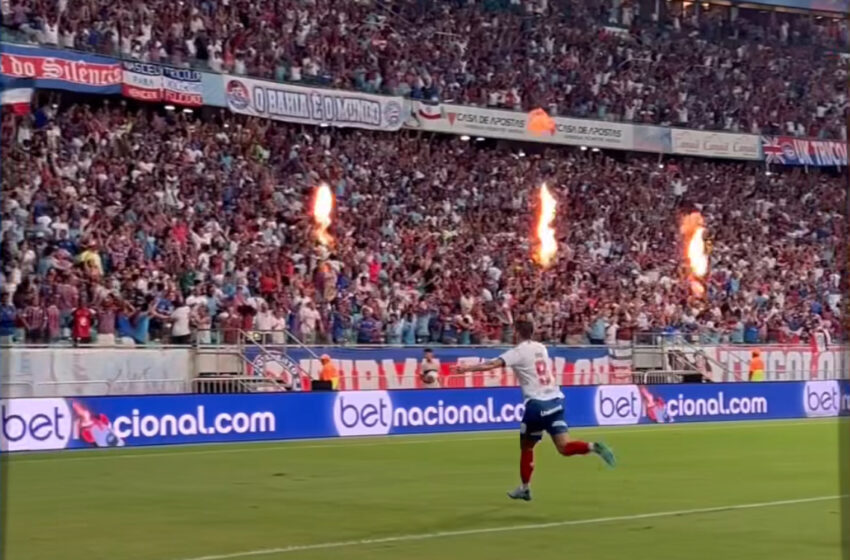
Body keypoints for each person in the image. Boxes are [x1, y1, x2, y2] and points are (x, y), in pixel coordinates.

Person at [452, 320, 616, 502]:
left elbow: (491, 365)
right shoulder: (541, 348)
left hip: (537, 405)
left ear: (516, 332)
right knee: (563, 446)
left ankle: (525, 488)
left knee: (527, 446)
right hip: (556, 400)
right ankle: (593, 447)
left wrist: (466, 369)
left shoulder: (517, 352)